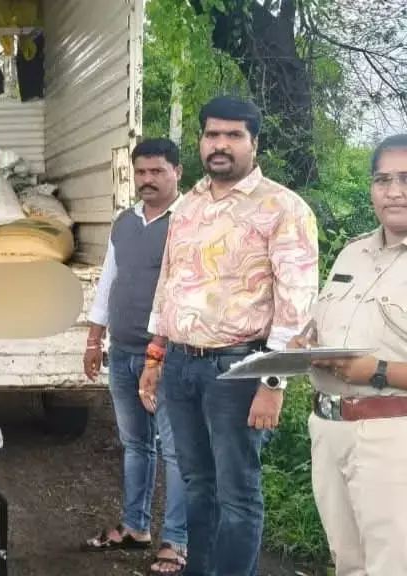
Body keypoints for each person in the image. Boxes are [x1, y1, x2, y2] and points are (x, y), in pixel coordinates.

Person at [139, 96, 320, 576]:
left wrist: (273, 382)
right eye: (212, 134)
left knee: (237, 493)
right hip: (181, 364)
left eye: (233, 135)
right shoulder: (189, 206)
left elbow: (298, 303)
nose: (221, 145)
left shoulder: (282, 207)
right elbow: (169, 282)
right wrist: (156, 355)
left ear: (253, 143)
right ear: (200, 141)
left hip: (238, 369)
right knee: (197, 484)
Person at [290, 134, 407, 575]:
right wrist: (307, 344)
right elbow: (324, 325)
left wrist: (377, 371)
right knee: (348, 563)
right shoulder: (353, 252)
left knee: (393, 565)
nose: (394, 191)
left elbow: (373, 364)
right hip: (329, 429)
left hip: (392, 434)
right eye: (383, 179)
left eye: (406, 179)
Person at [81, 138, 188, 575]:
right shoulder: (125, 222)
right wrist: (94, 338)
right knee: (135, 444)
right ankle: (135, 526)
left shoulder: (189, 221)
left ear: (178, 172)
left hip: (166, 356)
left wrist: (158, 355)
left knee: (176, 452)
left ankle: (176, 541)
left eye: (157, 171)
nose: (148, 179)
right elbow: (109, 280)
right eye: (141, 172)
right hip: (122, 350)